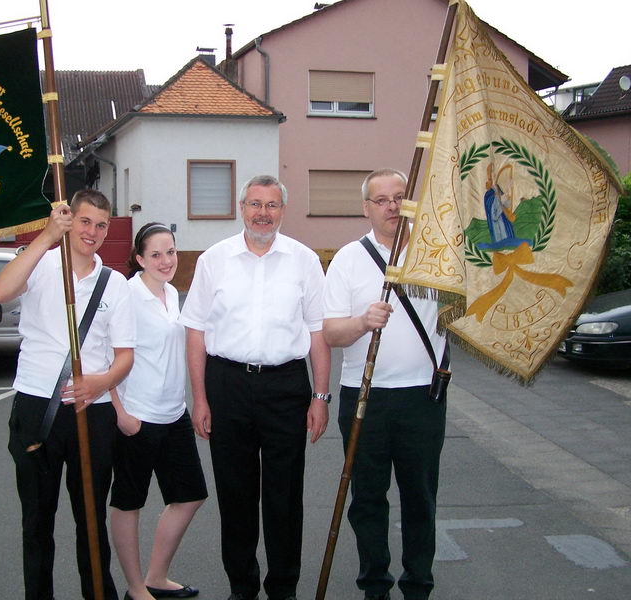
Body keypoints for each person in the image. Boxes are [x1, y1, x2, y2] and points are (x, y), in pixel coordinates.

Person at [179, 175, 331, 600]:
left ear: (283, 210)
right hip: (226, 385)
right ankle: (242, 589)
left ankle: (283, 589)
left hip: (286, 387)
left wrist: (320, 396)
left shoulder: (304, 261)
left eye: (272, 205)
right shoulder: (214, 260)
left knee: (284, 497)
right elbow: (195, 331)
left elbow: (317, 333)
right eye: (255, 204)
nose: (263, 213)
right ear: (241, 208)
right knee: (236, 495)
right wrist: (201, 398)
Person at [0, 190, 135, 600]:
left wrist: (102, 381)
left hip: (94, 410)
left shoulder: (116, 284)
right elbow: (1, 292)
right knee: (37, 520)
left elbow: (125, 356)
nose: (92, 232)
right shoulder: (39, 265)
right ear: (71, 220)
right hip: (38, 404)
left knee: (90, 520)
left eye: (101, 225)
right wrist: (46, 235)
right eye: (85, 221)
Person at [322, 169, 447, 600]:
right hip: (364, 397)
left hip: (423, 398)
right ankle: (375, 585)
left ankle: (418, 586)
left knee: (420, 499)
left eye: (399, 197)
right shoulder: (347, 260)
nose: (393, 206)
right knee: (367, 500)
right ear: (367, 208)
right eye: (382, 200)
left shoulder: (439, 255)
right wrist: (361, 322)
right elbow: (331, 334)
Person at [109, 222, 208, 600]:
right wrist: (120, 412)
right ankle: (136, 588)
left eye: (171, 252)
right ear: (139, 259)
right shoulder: (128, 295)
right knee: (128, 503)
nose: (166, 261)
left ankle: (155, 576)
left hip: (173, 413)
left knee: (190, 495)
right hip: (137, 416)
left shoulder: (171, 292)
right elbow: (106, 354)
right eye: (156, 254)